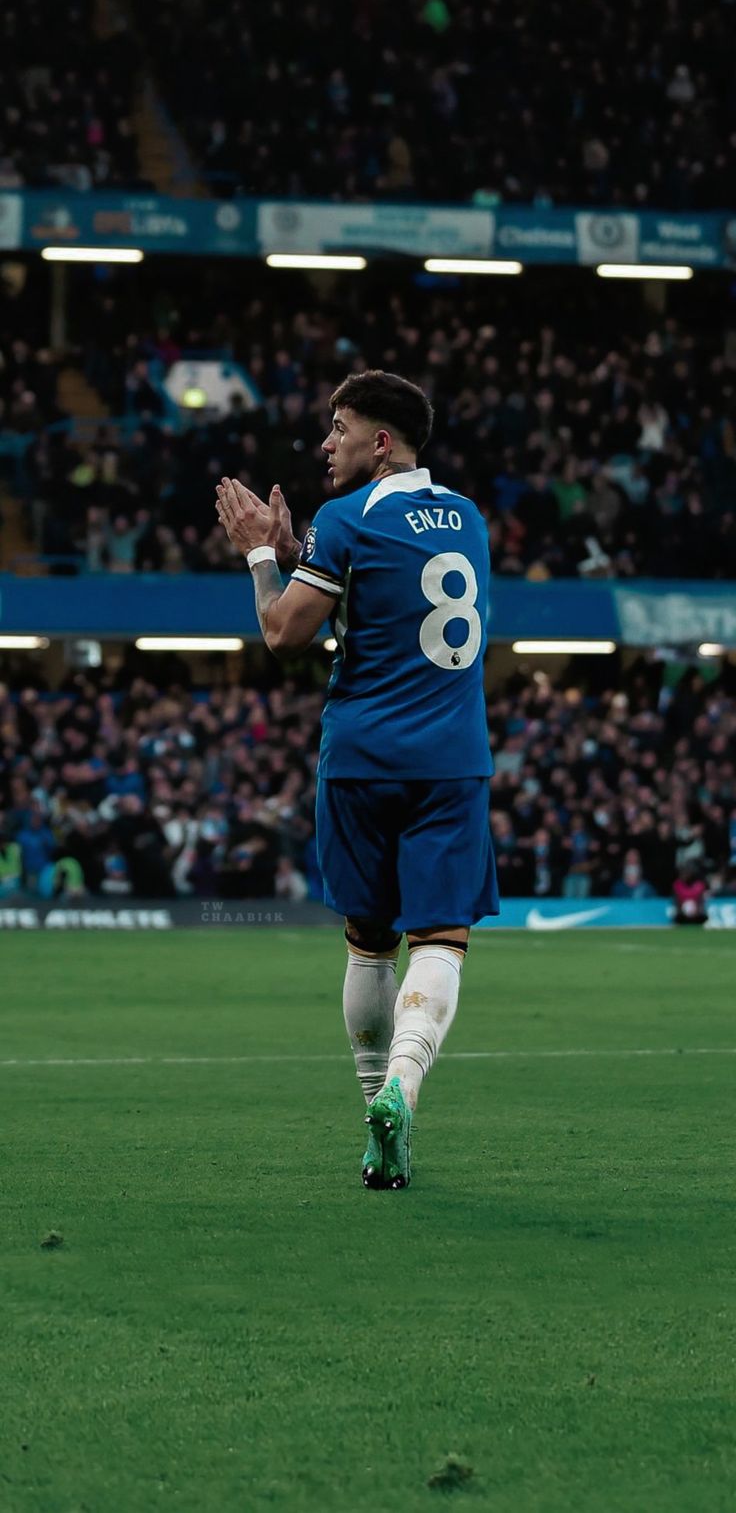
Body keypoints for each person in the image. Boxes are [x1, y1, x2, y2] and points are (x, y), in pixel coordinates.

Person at [215, 369, 498, 1191]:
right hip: (451, 759)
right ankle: (406, 1092)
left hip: (363, 761)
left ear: (381, 442)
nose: (324, 444)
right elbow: (394, 598)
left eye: (338, 429)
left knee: (370, 942)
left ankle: (376, 1104)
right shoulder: (470, 520)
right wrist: (314, 556)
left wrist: (263, 553)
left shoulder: (346, 519)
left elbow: (282, 633)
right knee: (441, 938)